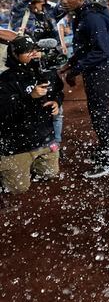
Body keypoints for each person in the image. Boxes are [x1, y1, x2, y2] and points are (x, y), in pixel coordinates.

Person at [58, 0, 109, 178]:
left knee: (100, 112)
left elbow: (101, 50)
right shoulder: (84, 14)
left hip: (101, 71)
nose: (63, 1)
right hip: (98, 69)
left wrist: (75, 70)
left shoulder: (92, 17)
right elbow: (86, 47)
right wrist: (71, 63)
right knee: (101, 111)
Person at [0, 35, 63, 196]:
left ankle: (34, 162)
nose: (33, 53)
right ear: (14, 55)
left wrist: (56, 102)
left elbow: (57, 91)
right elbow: (5, 112)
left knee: (50, 174)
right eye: (27, 51)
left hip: (43, 138)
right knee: (18, 189)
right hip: (16, 144)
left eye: (35, 50)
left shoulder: (45, 72)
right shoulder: (5, 80)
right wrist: (29, 97)